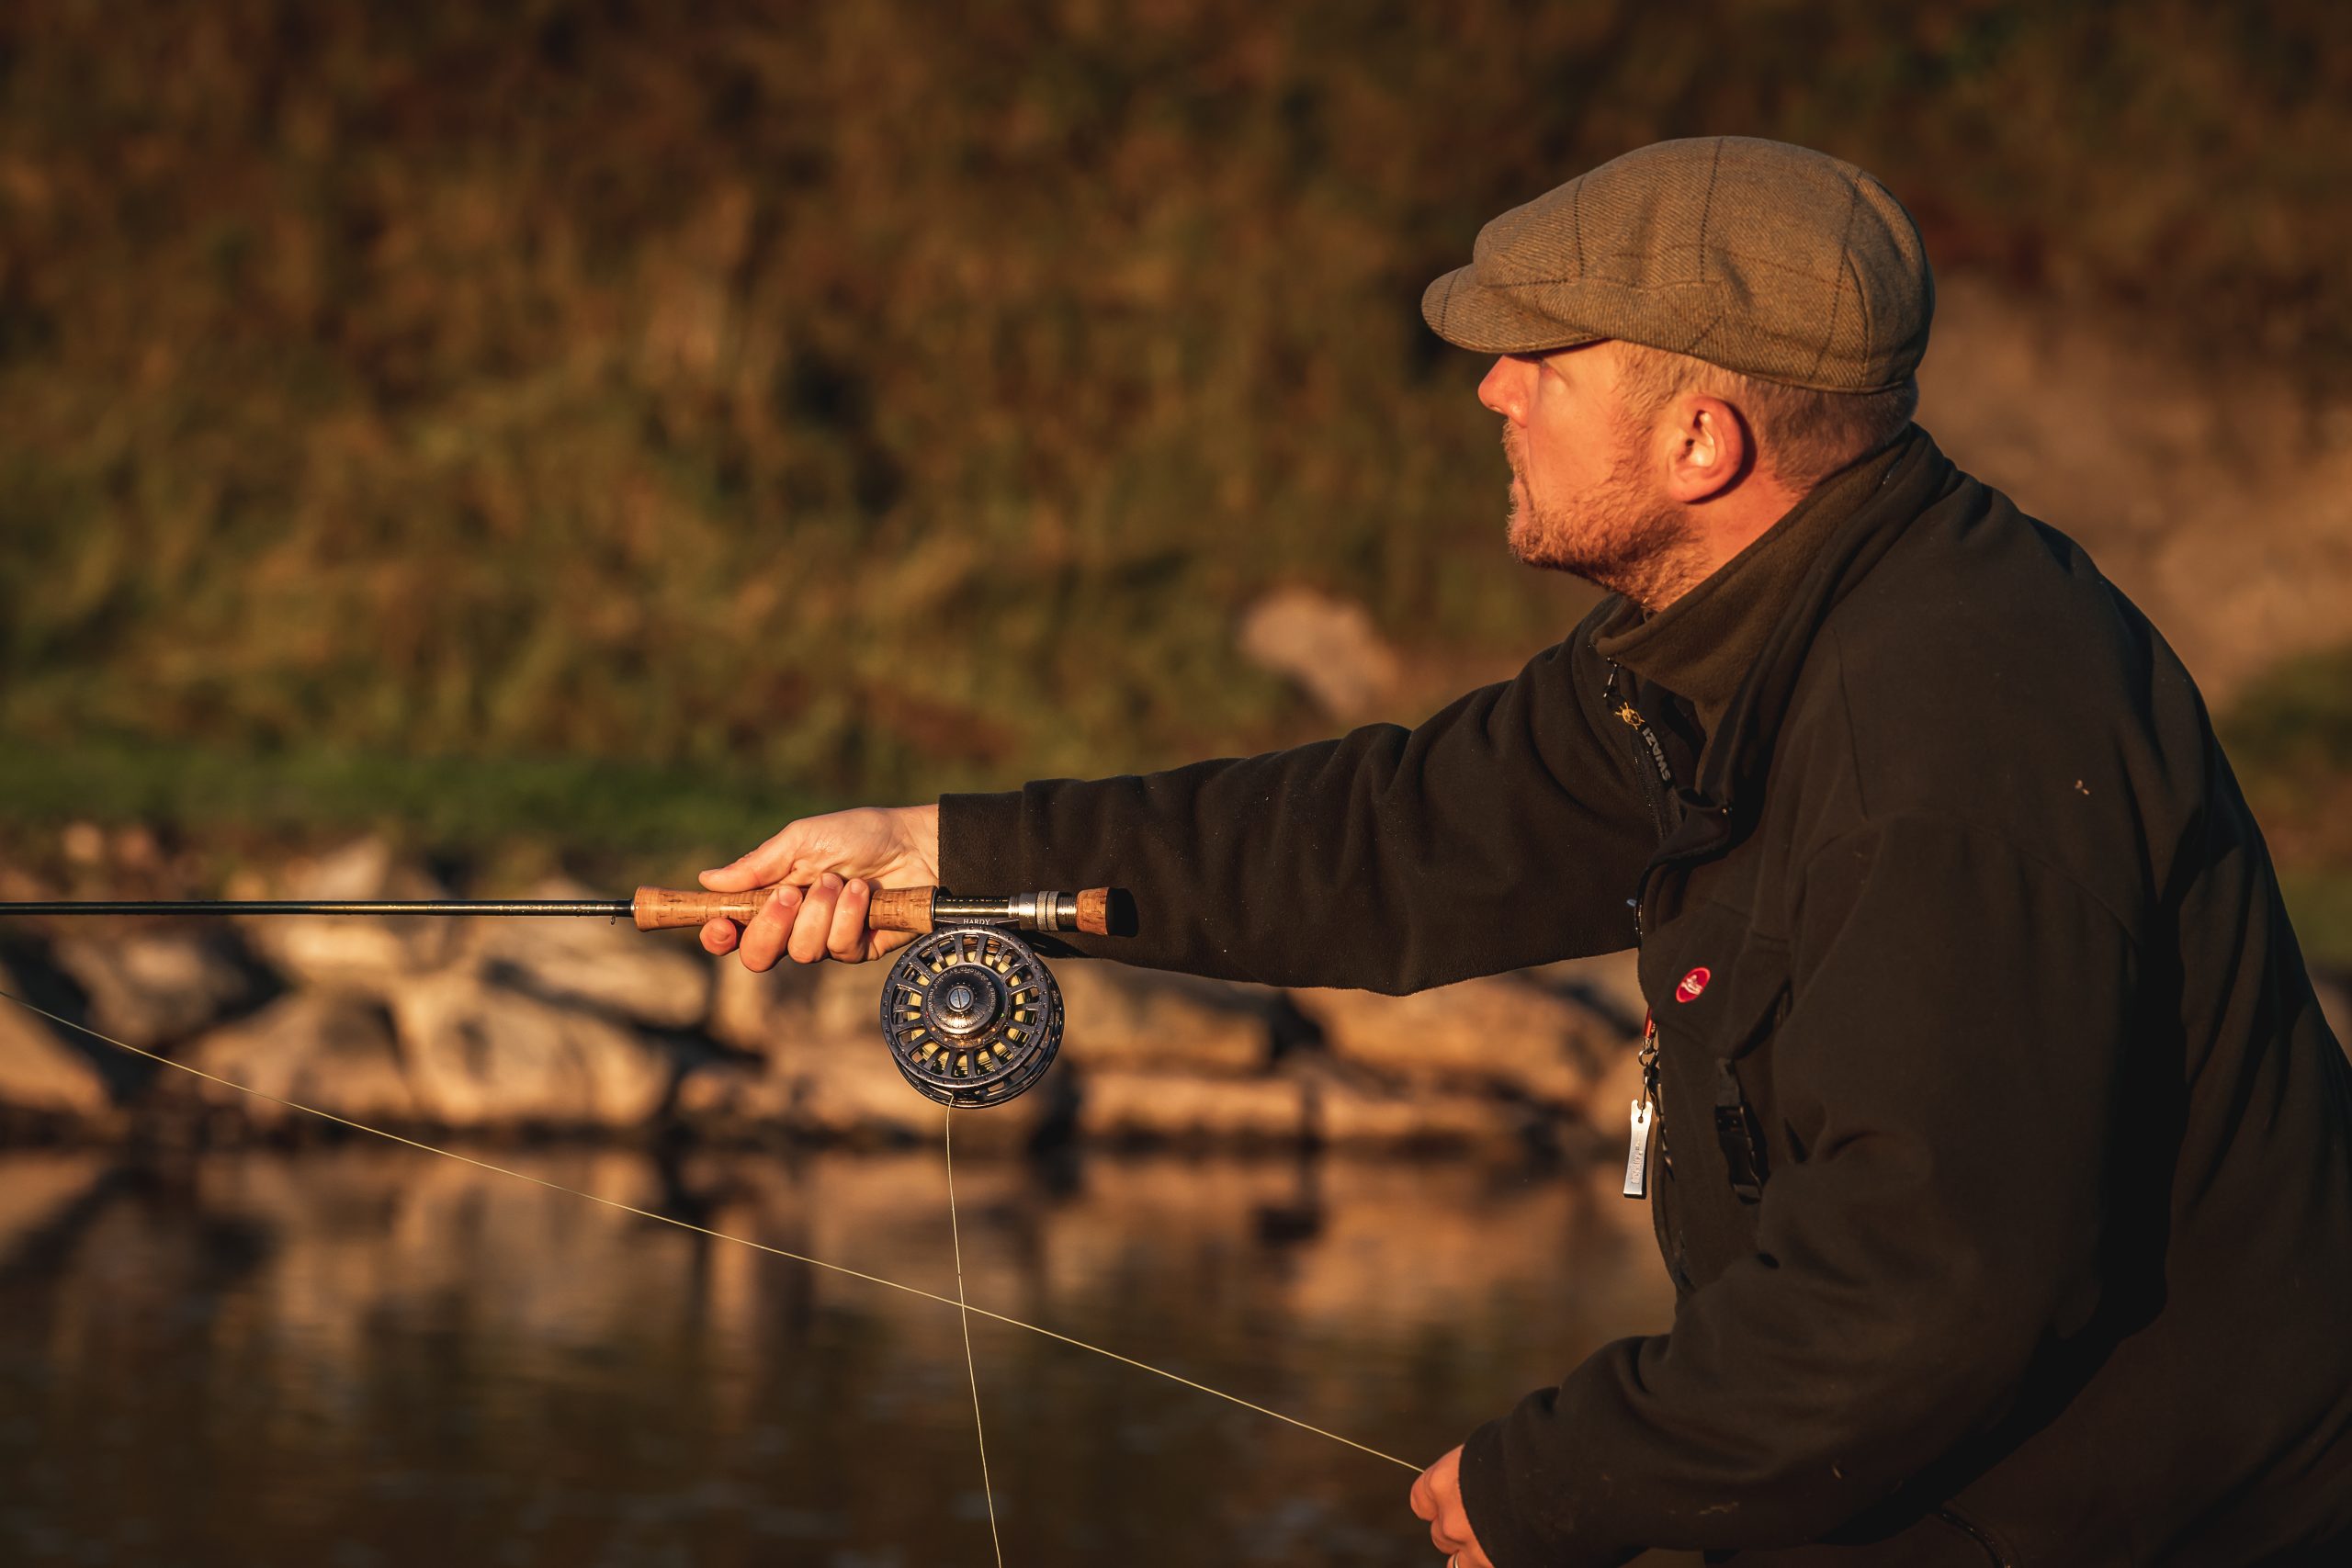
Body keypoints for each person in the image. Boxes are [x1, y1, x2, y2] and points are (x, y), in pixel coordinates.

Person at [694, 138, 2352, 1564]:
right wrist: (945, 852)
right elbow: (1394, 840)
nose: (1492, 388)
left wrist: (1561, 1480)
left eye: (1543, 360)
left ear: (1705, 441)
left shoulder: (1947, 732)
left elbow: (1922, 1284)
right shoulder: (1734, 635)